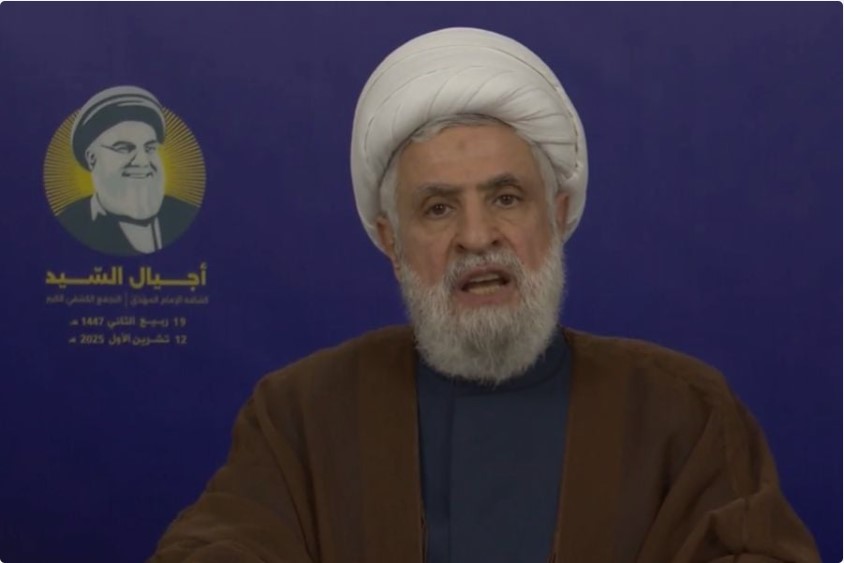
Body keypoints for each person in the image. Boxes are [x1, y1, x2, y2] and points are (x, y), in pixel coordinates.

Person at [149, 28, 820, 562]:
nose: (476, 237)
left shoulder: (684, 409)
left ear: (557, 213)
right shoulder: (300, 412)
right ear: (390, 240)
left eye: (505, 197)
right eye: (438, 208)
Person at [58, 85, 197, 256]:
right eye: (124, 148)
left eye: (150, 148)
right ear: (92, 158)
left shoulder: (185, 214)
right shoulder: (70, 222)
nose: (142, 162)